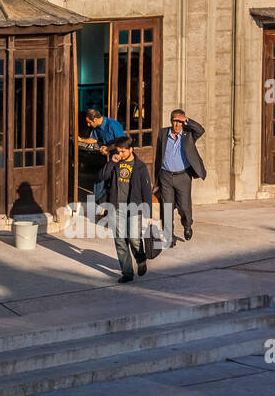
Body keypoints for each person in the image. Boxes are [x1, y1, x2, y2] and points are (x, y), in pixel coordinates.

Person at [98, 136, 153, 283]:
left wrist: (149, 214)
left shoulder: (140, 167)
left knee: (134, 238)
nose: (120, 154)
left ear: (131, 150)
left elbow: (147, 191)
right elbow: (102, 176)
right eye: (119, 151)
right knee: (120, 240)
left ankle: (141, 259)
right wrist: (111, 162)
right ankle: (127, 273)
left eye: (123, 151)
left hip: (134, 208)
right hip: (116, 207)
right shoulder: (115, 162)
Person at [153, 108, 207, 248]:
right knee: (167, 207)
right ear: (170, 121)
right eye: (174, 121)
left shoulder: (188, 134)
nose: (177, 125)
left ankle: (187, 225)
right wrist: (157, 178)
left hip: (183, 176)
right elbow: (159, 155)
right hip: (165, 175)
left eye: (179, 121)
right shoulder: (163, 133)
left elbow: (200, 130)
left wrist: (187, 121)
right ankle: (168, 236)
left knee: (184, 206)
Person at [79, 108, 125, 215]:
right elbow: (94, 140)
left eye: (89, 122)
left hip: (119, 157)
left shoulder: (113, 125)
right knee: (101, 179)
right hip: (110, 158)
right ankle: (101, 206)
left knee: (106, 180)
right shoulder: (98, 128)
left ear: (95, 119)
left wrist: (107, 148)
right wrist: (81, 140)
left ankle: (104, 208)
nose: (88, 125)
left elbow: (122, 142)